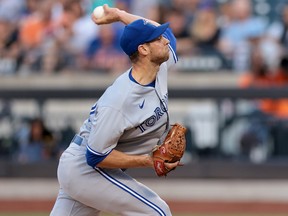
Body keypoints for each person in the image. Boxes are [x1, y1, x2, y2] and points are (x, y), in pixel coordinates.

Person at [50, 4, 179, 216]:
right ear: (143, 49)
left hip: (88, 169)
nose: (164, 40)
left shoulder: (160, 68)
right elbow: (95, 156)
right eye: (157, 39)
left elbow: (169, 35)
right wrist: (149, 160)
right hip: (85, 169)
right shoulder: (120, 100)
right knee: (157, 212)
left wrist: (119, 15)